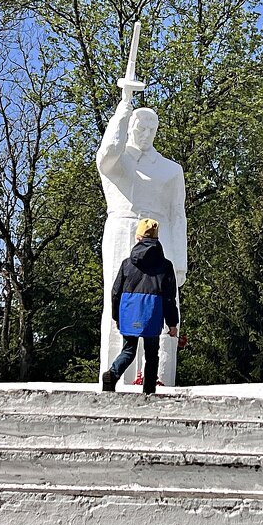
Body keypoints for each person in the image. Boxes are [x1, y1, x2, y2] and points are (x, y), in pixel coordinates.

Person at [96, 81, 187, 386]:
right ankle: (117, 375)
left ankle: (158, 378)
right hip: (122, 229)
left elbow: (178, 214)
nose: (146, 134)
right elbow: (108, 151)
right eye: (140, 127)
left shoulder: (171, 170)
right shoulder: (118, 162)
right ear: (130, 127)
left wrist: (180, 261)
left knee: (163, 300)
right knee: (120, 300)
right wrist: (124, 106)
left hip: (160, 237)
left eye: (152, 129)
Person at [102, 219, 179, 394]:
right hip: (153, 312)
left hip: (130, 311)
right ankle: (149, 391)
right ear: (156, 238)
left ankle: (112, 374)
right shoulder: (166, 266)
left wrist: (117, 316)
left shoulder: (127, 264)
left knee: (128, 350)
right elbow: (169, 298)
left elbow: (115, 292)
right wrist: (172, 323)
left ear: (138, 238)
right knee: (152, 355)